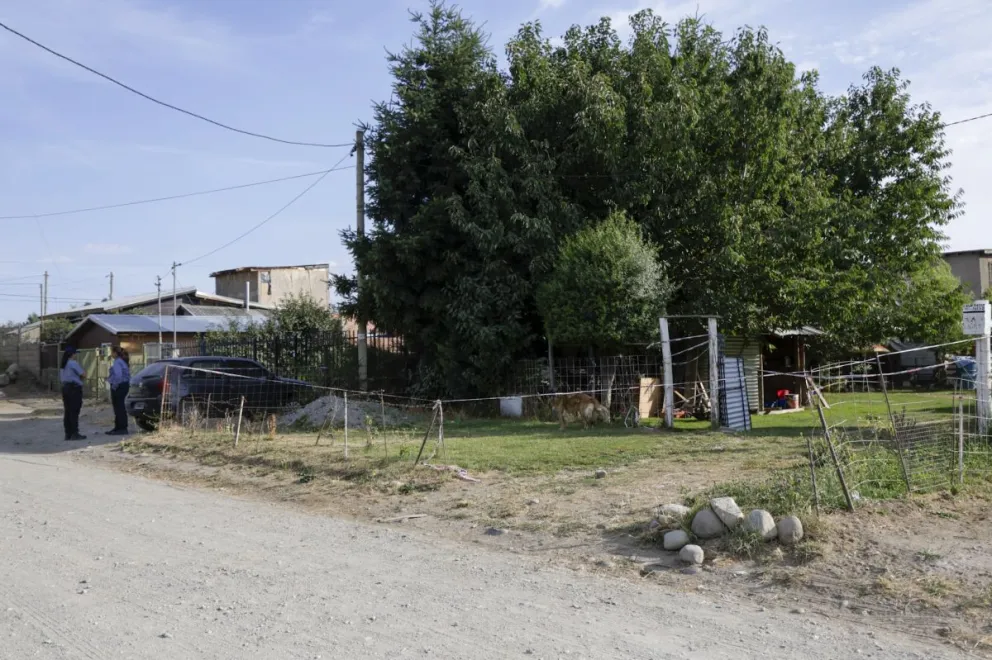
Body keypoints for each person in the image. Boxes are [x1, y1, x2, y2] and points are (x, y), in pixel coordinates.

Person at [60, 346, 86, 441]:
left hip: (65, 388)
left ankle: (68, 433)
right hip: (74, 388)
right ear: (72, 354)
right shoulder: (73, 363)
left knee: (67, 411)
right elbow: (83, 374)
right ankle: (75, 433)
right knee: (74, 411)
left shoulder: (63, 364)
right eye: (75, 353)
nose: (75, 355)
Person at [106, 347, 131, 435]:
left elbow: (118, 376)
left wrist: (114, 386)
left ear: (116, 353)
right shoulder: (121, 361)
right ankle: (118, 427)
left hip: (119, 386)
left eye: (112, 352)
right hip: (123, 385)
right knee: (118, 407)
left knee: (119, 407)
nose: (111, 354)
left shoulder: (117, 362)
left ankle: (122, 428)